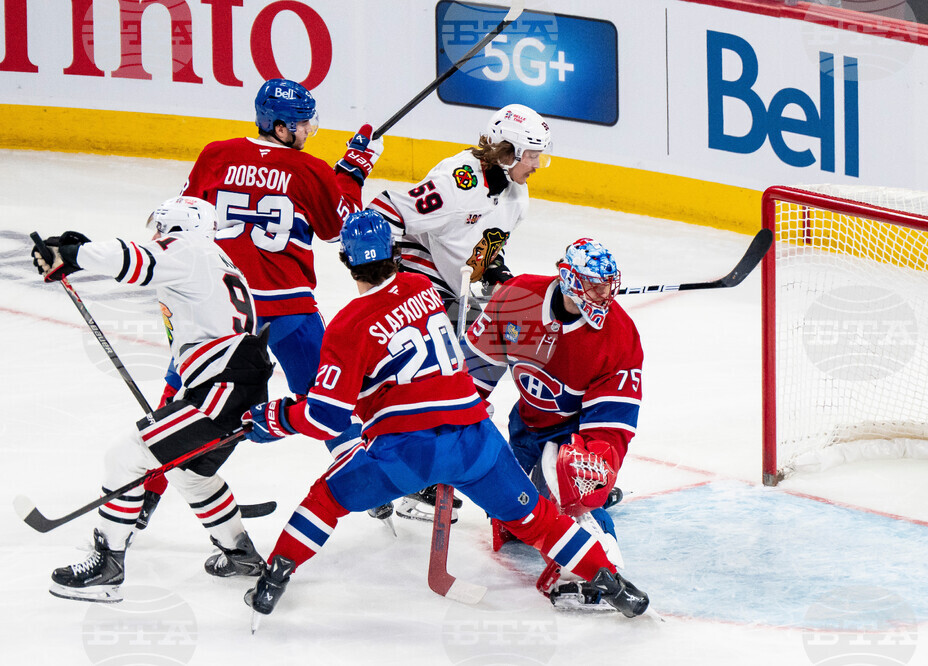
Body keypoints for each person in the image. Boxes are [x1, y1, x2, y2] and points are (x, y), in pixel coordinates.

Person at [239, 210, 648, 624]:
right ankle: (616, 585)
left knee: (325, 499)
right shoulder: (423, 289)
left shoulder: (347, 325)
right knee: (538, 520)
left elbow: (325, 418)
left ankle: (274, 578)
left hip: (407, 452)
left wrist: (271, 418)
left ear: (345, 259)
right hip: (475, 440)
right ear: (395, 252)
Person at [137, 78, 383, 528]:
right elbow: (339, 229)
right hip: (288, 308)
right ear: (282, 126)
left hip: (221, 307)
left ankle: (143, 493)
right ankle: (364, 483)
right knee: (328, 401)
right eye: (303, 124)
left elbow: (180, 220)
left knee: (178, 399)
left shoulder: (216, 154)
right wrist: (352, 171)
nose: (308, 131)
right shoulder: (311, 171)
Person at [32, 196, 274, 603]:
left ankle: (107, 567)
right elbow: (141, 263)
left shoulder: (190, 249)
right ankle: (241, 555)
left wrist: (73, 254)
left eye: (162, 229)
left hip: (223, 388)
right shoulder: (213, 259)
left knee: (125, 458)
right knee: (188, 474)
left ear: (177, 227)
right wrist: (79, 258)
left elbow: (135, 259)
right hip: (230, 385)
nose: (158, 236)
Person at [366, 102, 550, 519]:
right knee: (424, 381)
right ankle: (384, 472)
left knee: (483, 360)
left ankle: (419, 470)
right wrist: (388, 285)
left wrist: (496, 272)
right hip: (416, 275)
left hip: (454, 287)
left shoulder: (516, 197)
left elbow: (482, 252)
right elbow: (385, 210)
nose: (538, 165)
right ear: (508, 151)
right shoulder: (458, 181)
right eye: (531, 155)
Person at [461, 237, 643, 609]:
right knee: (513, 520)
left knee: (571, 488)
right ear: (568, 279)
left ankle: (597, 568)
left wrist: (592, 477)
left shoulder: (620, 336)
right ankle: (554, 497)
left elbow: (612, 425)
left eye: (608, 285)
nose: (605, 295)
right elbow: (476, 372)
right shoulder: (517, 298)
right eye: (594, 285)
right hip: (525, 425)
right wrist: (453, 418)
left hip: (573, 434)